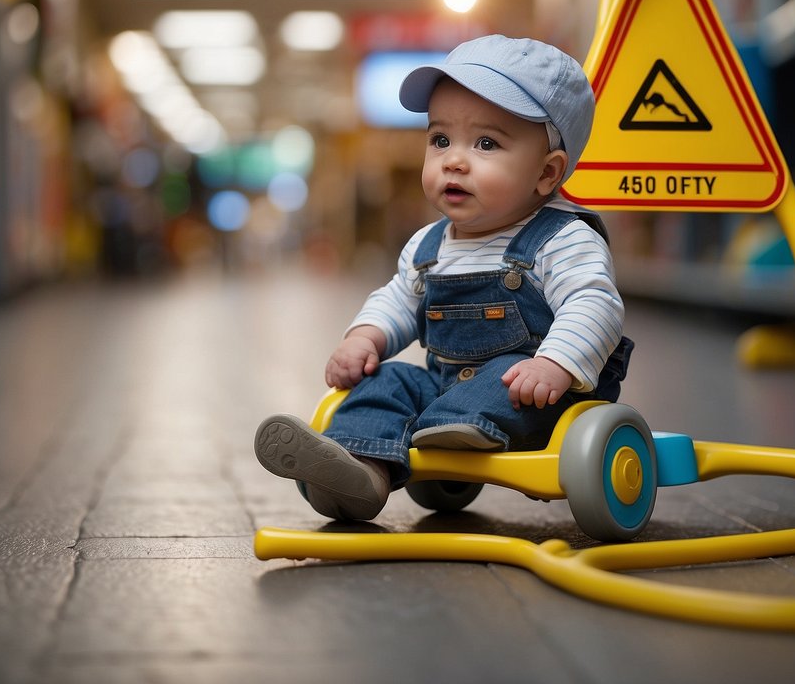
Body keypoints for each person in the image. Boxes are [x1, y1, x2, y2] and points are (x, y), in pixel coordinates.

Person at [254, 34, 632, 520]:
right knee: (388, 381)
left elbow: (594, 303)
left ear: (546, 173)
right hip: (446, 389)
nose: (453, 159)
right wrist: (366, 338)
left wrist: (554, 364)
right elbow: (397, 300)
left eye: (486, 143)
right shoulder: (429, 245)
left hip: (538, 393)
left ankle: (440, 432)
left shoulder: (562, 239)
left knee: (504, 376)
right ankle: (356, 472)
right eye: (440, 139)